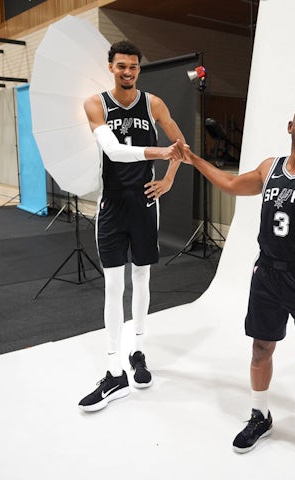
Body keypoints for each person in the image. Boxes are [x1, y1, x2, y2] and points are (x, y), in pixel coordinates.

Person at [178, 103, 295, 477]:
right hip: (265, 275)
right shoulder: (269, 167)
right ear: (290, 126)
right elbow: (230, 184)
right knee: (261, 349)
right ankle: (260, 415)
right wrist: (193, 159)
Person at [78, 40, 186, 412]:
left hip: (144, 205)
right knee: (112, 287)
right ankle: (113, 371)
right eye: (122, 66)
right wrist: (160, 154)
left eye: (134, 67)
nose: (128, 72)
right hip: (112, 206)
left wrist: (169, 178)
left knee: (142, 278)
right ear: (110, 66)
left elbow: (180, 143)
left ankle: (137, 351)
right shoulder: (96, 104)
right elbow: (114, 151)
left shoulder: (153, 103)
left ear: (140, 69)